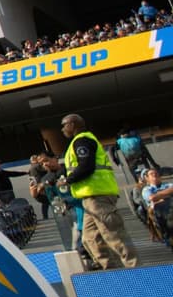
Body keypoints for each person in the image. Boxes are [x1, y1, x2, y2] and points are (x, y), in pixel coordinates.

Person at [57, 113, 138, 269]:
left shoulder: (82, 140)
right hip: (89, 199)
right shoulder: (79, 141)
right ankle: (113, 270)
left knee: (114, 236)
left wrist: (68, 179)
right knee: (90, 239)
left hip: (98, 196)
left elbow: (86, 166)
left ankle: (135, 269)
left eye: (64, 125)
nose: (62, 129)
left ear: (72, 125)